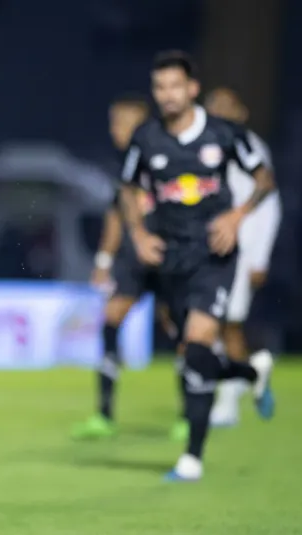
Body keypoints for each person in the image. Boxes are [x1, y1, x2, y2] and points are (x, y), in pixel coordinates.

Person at [119, 51, 276, 481]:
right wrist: (139, 234)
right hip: (169, 257)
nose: (168, 94)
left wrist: (237, 216)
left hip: (214, 255)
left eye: (175, 86)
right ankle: (250, 371)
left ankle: (192, 458)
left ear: (192, 88)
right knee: (193, 356)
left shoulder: (224, 133)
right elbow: (128, 187)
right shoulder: (146, 139)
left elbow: (264, 180)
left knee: (199, 342)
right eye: (160, 87)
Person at [71, 96, 170, 439]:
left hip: (169, 257)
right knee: (111, 321)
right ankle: (104, 414)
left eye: (121, 123)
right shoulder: (123, 169)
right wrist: (104, 260)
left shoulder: (167, 159)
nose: (115, 130)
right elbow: (115, 217)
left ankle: (191, 415)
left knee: (181, 331)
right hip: (132, 261)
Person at [204, 87, 282, 427]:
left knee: (227, 325)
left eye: (226, 106)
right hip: (206, 249)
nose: (218, 111)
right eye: (213, 106)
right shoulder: (204, 144)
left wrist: (259, 257)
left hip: (239, 250)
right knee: (205, 324)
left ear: (241, 112)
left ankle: (227, 402)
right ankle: (249, 374)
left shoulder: (250, 146)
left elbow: (268, 204)